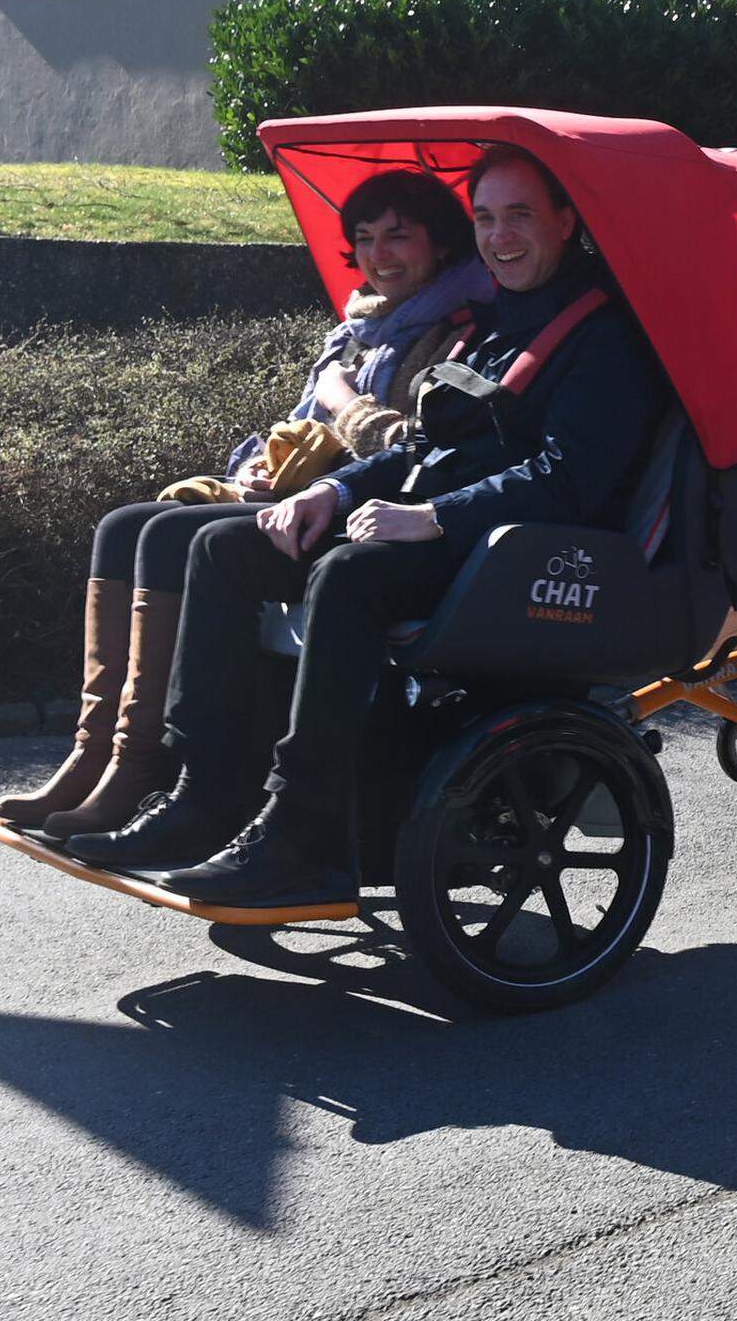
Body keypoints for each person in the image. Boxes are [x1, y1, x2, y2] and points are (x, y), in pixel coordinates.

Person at [62, 146, 664, 908]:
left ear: (567, 220)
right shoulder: (493, 322)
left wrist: (432, 517)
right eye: (485, 217)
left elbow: (569, 479)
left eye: (519, 216)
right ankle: (204, 795)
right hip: (441, 528)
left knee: (346, 576)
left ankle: (301, 837)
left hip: (526, 551)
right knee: (221, 547)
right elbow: (422, 445)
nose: (499, 236)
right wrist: (334, 494)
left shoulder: (604, 337)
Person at [0, 168, 490, 838]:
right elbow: (297, 428)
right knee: (124, 526)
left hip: (366, 510)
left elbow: (417, 448)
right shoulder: (359, 331)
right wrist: (262, 463)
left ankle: (157, 768)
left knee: (174, 540)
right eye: (365, 238)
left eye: (399, 236)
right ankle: (100, 754)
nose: (379, 255)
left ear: (443, 245)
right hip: (304, 495)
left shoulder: (460, 329)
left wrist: (344, 408)